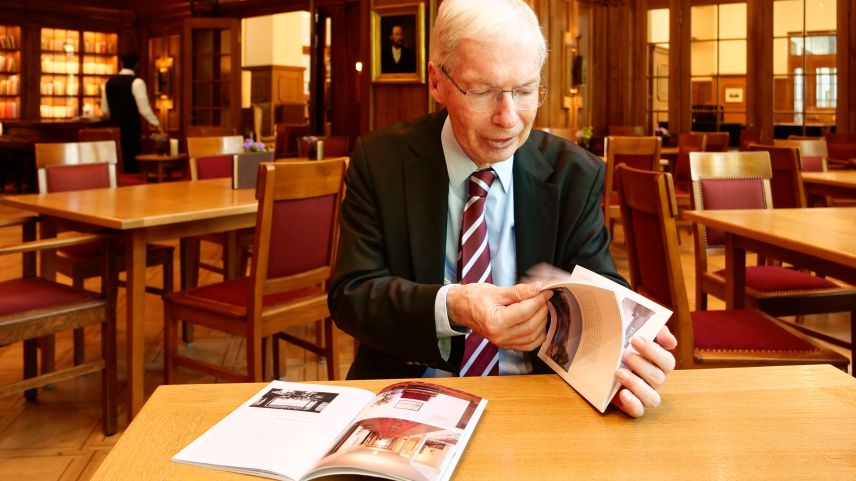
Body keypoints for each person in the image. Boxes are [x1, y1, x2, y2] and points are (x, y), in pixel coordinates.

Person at [329, 0, 676, 418]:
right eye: (483, 91)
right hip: (404, 395)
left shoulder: (574, 175)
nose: (508, 118)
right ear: (437, 82)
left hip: (537, 401)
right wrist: (454, 305)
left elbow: (600, 290)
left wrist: (621, 355)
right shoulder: (380, 160)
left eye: (525, 91)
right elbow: (352, 294)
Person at [101, 53, 163, 173]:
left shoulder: (108, 83)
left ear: (121, 64)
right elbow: (144, 109)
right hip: (131, 129)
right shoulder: (137, 82)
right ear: (136, 65)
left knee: (118, 164)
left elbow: (104, 111)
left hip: (114, 129)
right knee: (131, 164)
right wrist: (157, 124)